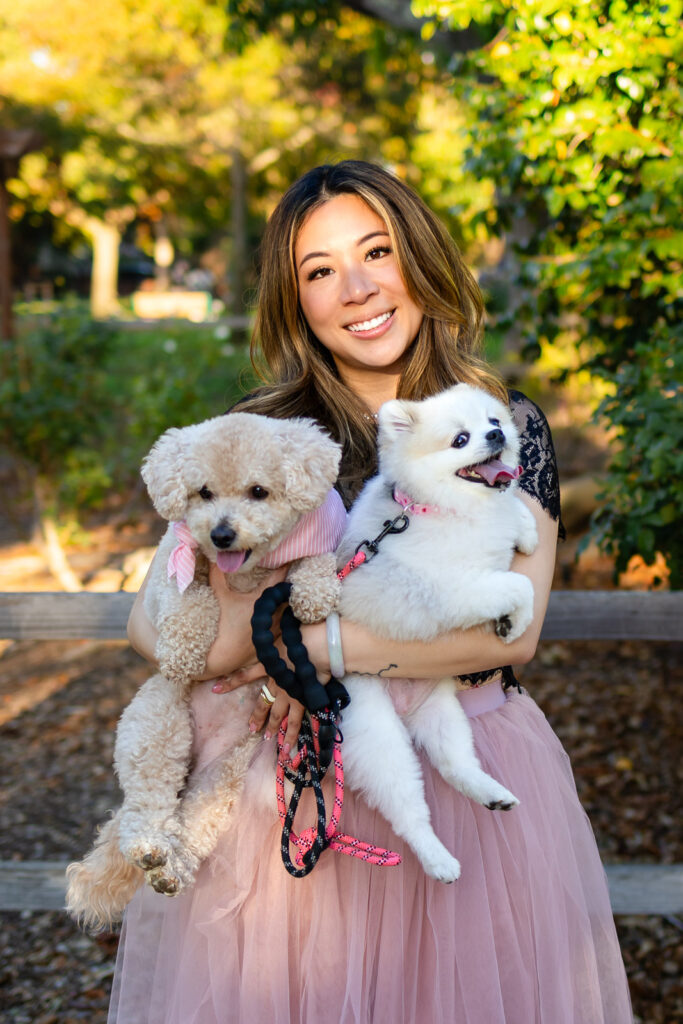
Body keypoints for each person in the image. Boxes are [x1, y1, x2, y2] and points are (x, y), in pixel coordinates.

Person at [111, 161, 632, 1024]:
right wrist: (242, 636)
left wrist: (310, 650)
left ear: (417, 257)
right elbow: (148, 621)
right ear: (296, 299)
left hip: (469, 762)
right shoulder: (264, 436)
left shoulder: (502, 422)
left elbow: (510, 631)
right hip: (292, 789)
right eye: (319, 272)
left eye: (376, 252)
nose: (355, 289)